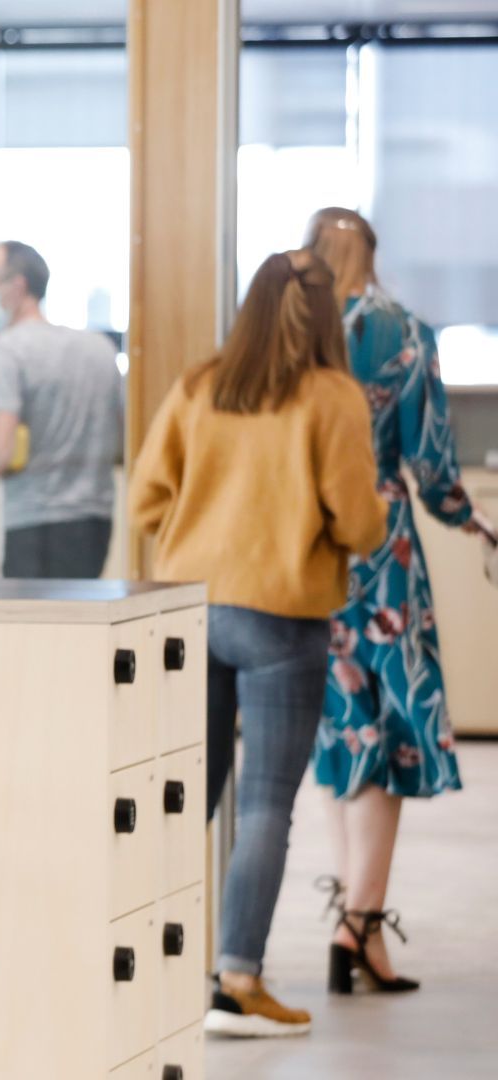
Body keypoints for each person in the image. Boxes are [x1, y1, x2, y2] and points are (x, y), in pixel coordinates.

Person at [129, 249, 386, 1038]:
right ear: (324, 315)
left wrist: (199, 534)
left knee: (185, 797)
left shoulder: (201, 386)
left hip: (189, 609)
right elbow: (359, 523)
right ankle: (237, 981)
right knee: (267, 807)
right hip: (279, 619)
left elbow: (146, 499)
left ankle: (140, 966)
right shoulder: (331, 397)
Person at [302, 207, 497, 995]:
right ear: (371, 256)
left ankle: (354, 915)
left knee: (344, 734)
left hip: (308, 549)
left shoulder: (291, 327)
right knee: (391, 731)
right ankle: (361, 923)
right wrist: (470, 519)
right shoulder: (405, 330)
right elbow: (432, 462)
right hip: (382, 555)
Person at [0, 241, 125, 578]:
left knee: (32, 628)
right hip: (97, 520)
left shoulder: (10, 349)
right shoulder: (99, 349)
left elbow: (1, 449)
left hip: (35, 524)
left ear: (18, 286)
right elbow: (121, 443)